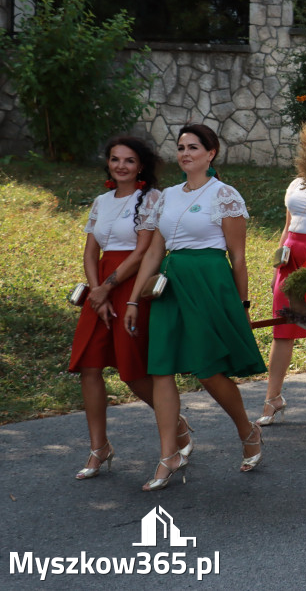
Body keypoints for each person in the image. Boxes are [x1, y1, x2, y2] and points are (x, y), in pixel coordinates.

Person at [125, 124, 266, 491]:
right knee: (161, 368)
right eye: (181, 147)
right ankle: (168, 455)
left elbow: (237, 256)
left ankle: (246, 429)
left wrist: (242, 304)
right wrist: (133, 298)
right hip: (171, 285)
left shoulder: (225, 195)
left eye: (193, 147)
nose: (185, 153)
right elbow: (156, 250)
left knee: (208, 370)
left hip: (210, 283)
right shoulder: (165, 197)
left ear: (211, 153)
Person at [69, 137, 174, 479]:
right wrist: (96, 291)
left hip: (129, 283)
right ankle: (99, 448)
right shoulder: (101, 201)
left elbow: (143, 251)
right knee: (90, 365)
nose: (121, 166)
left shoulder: (152, 199)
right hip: (99, 284)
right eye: (115, 159)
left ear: (140, 166)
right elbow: (90, 252)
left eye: (129, 161)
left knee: (132, 371)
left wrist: (108, 288)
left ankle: (177, 425)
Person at [256, 177, 306, 428]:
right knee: (282, 328)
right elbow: (288, 224)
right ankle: (272, 398)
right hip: (290, 260)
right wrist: (276, 266)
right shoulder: (296, 182)